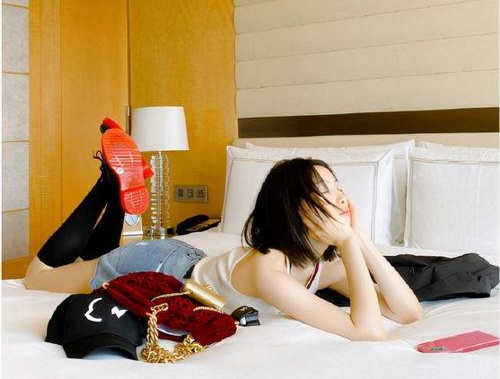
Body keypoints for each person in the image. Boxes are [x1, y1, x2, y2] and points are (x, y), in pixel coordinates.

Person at [25, 119, 423, 341]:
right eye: (323, 191)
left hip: (192, 263)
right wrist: (349, 241)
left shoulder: (325, 264)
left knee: (93, 259)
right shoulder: (269, 268)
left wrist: (361, 240)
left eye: (338, 186)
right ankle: (104, 185)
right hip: (158, 268)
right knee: (35, 278)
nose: (339, 197)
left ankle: (114, 186)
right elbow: (369, 332)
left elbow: (407, 312)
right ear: (292, 210)